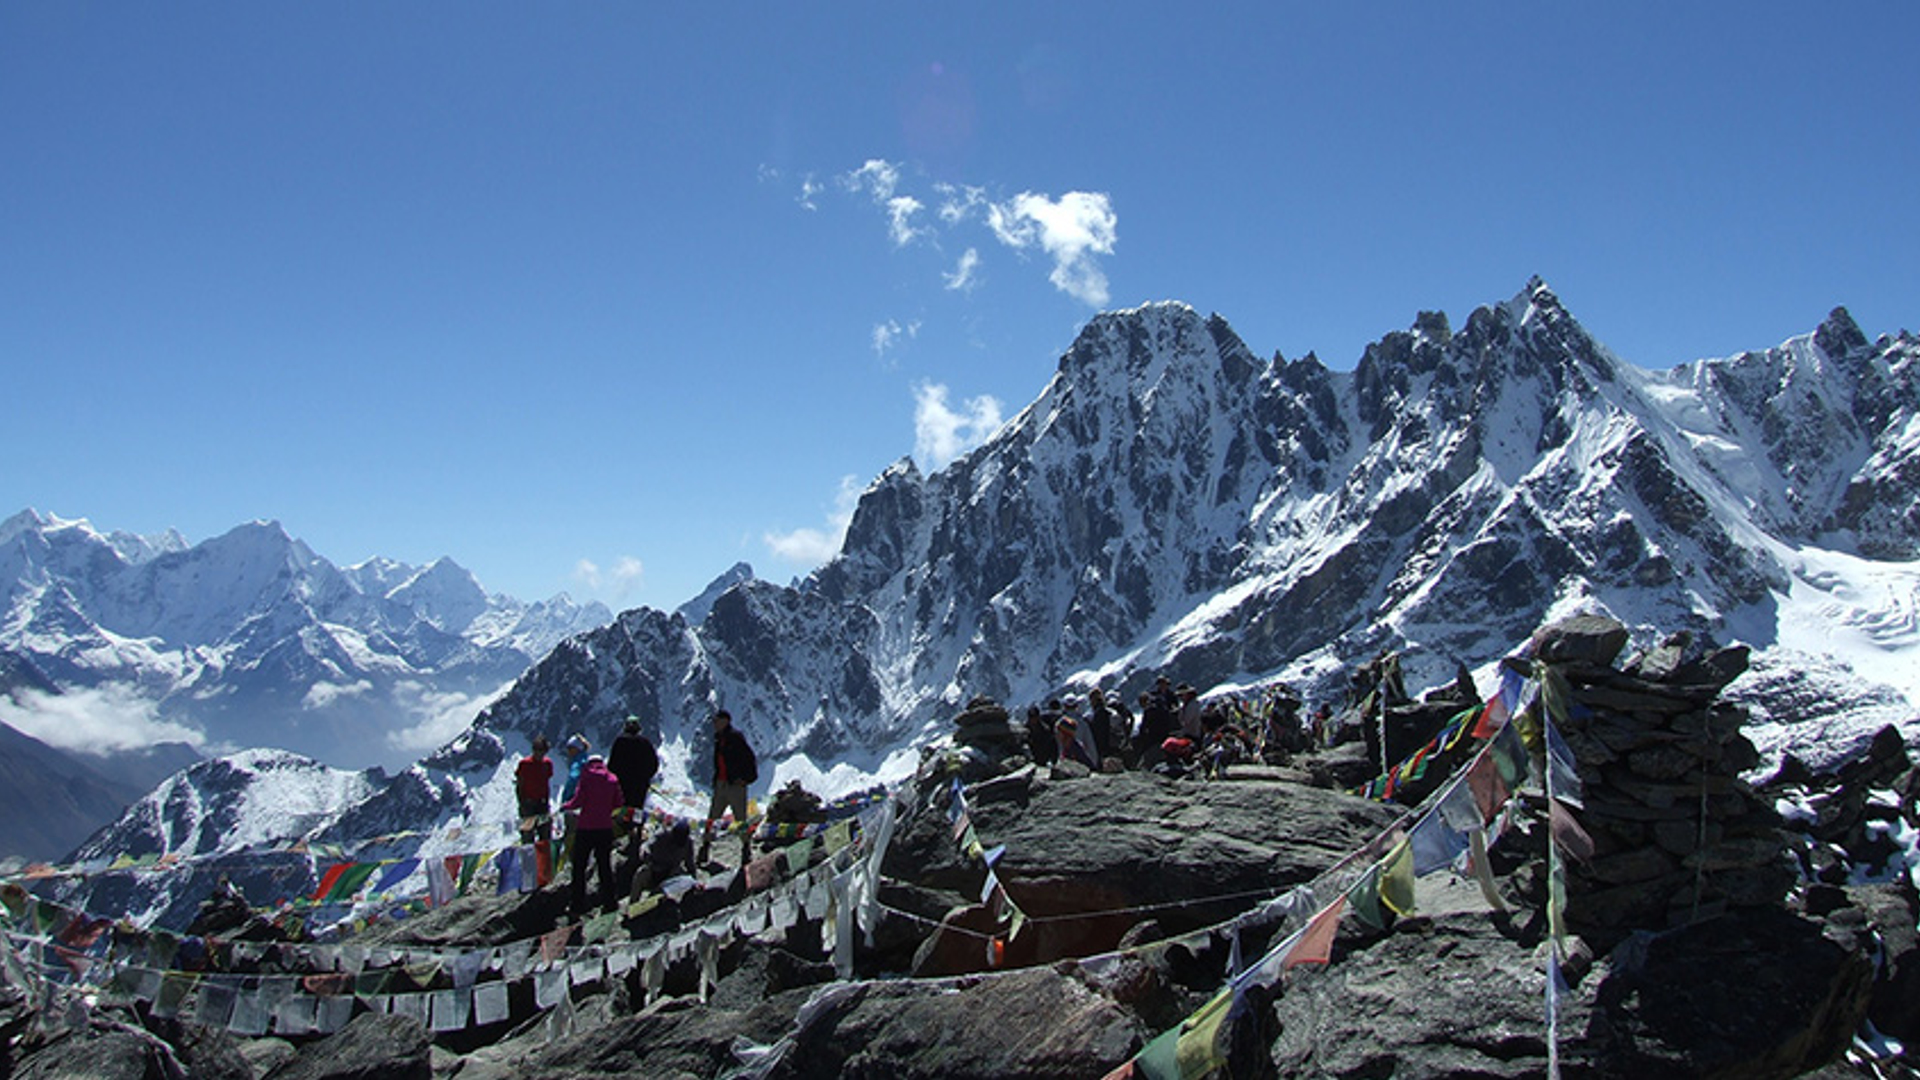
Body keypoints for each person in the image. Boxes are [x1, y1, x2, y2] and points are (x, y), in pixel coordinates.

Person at [561, 752, 623, 914]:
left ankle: (577, 904)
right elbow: (618, 803)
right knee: (604, 866)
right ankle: (610, 902)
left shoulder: (586, 777)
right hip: (605, 828)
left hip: (586, 827)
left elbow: (578, 801)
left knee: (579, 866)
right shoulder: (612, 779)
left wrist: (566, 806)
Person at [700, 709, 758, 867]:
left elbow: (749, 758)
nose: (714, 724)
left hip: (735, 785)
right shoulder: (719, 739)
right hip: (721, 783)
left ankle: (746, 849)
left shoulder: (735, 738)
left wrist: (747, 779)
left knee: (740, 819)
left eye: (717, 721)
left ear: (725, 721)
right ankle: (705, 847)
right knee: (713, 816)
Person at [608, 716, 659, 855]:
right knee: (637, 811)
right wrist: (645, 777)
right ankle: (635, 838)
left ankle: (619, 837)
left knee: (621, 811)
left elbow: (611, 765)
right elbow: (654, 764)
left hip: (623, 785)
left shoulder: (619, 742)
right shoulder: (645, 743)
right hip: (640, 785)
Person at [515, 735, 556, 887]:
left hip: (542, 804)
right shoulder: (524, 764)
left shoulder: (547, 764)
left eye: (542, 750)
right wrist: (522, 804)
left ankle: (545, 873)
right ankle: (528, 875)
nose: (539, 753)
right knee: (527, 839)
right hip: (528, 804)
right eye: (537, 750)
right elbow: (520, 784)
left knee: (545, 837)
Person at [628, 820, 698, 902]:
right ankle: (633, 904)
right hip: (654, 869)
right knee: (640, 875)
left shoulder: (688, 844)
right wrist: (646, 855)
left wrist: (694, 880)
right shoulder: (661, 836)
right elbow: (645, 846)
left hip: (671, 873)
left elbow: (690, 864)